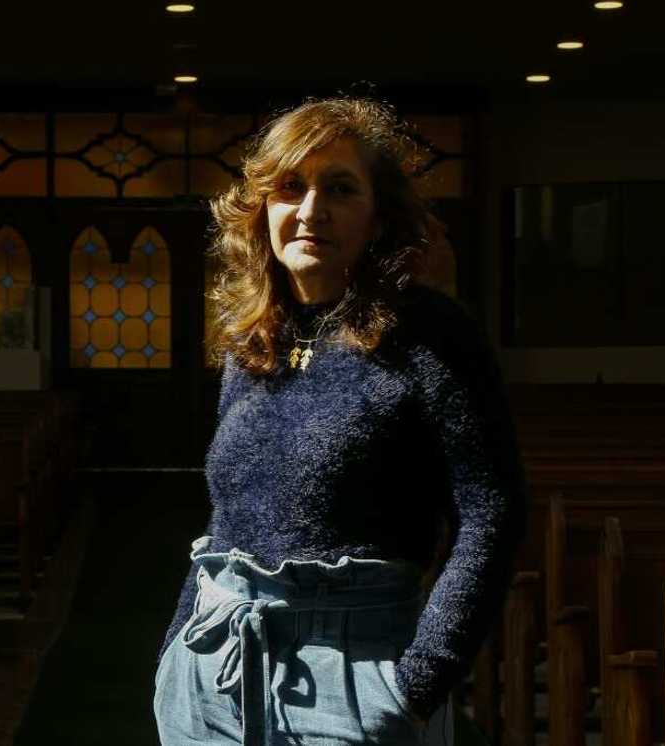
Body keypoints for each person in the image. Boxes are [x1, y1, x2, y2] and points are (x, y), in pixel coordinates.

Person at [153, 96, 528, 745]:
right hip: (212, 671)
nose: (309, 210)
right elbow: (224, 519)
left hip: (355, 674)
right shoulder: (254, 341)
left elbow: (492, 511)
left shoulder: (432, 335)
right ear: (261, 209)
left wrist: (416, 684)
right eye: (289, 188)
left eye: (340, 188)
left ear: (379, 215)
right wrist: (173, 655)